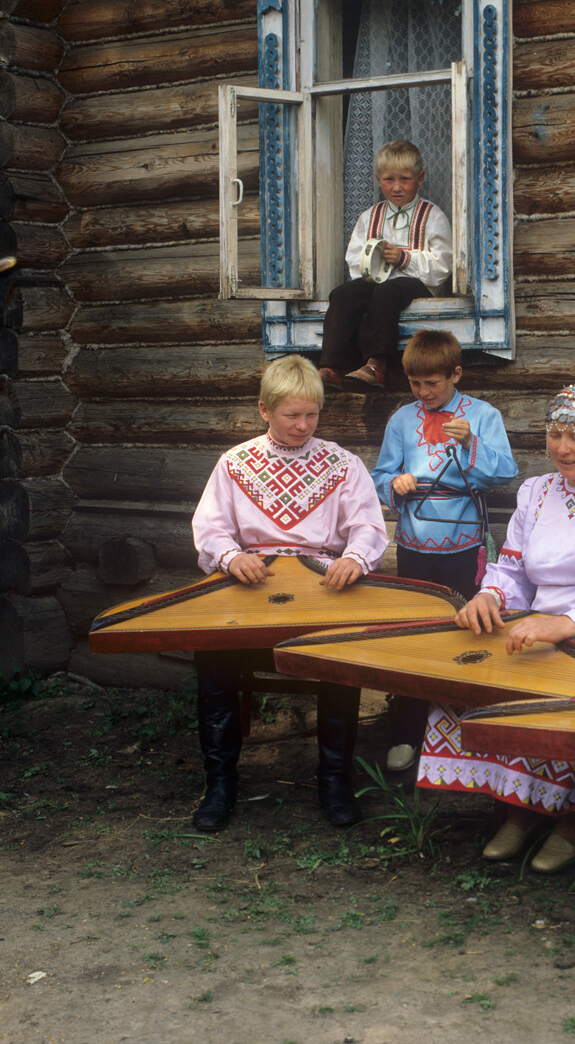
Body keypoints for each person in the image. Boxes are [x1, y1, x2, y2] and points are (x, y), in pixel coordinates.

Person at [417, 367, 575, 872]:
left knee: (566, 700)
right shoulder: (536, 491)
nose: (563, 447)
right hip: (541, 630)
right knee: (472, 683)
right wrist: (490, 596)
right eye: (554, 434)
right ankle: (521, 805)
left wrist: (569, 623)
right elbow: (511, 567)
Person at [190, 354, 388, 832]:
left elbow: (367, 526)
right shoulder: (234, 464)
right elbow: (210, 528)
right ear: (264, 410)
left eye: (312, 415)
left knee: (341, 655)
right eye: (291, 415)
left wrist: (353, 559)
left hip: (321, 587)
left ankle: (334, 780)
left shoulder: (343, 464)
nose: (303, 425)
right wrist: (231, 557)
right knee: (213, 654)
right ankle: (220, 783)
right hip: (251, 585)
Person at [370, 329, 517, 770]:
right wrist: (393, 484)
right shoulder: (401, 419)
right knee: (417, 632)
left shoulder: (482, 416)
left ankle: (471, 729)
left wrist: (471, 442)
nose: (423, 392)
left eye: (432, 383)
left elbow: (505, 471)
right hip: (414, 543)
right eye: (415, 384)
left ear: (456, 373)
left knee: (472, 630)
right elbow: (380, 474)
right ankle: (409, 730)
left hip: (465, 543)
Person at [318, 140, 451, 391]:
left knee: (386, 291)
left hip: (419, 287)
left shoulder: (432, 216)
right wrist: (374, 264)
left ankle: (377, 363)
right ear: (378, 179)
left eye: (405, 179)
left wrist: (404, 259)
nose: (397, 187)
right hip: (380, 286)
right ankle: (333, 365)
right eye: (389, 180)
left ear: (420, 178)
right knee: (344, 293)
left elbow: (442, 266)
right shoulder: (370, 216)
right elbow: (354, 259)